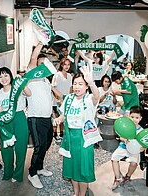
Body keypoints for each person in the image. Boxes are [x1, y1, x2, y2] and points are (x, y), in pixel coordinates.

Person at [54, 63, 100, 196]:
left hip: (84, 138)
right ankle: (75, 193)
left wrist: (92, 83)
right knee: (73, 167)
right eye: (75, 84)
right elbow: (63, 116)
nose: (77, 87)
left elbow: (97, 95)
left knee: (83, 168)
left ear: (86, 86)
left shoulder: (89, 99)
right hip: (70, 137)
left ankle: (82, 193)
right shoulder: (68, 99)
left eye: (81, 84)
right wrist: (58, 120)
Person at [0, 67, 31, 182]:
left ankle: (18, 174)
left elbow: (29, 94)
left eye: (6, 75)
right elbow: (0, 110)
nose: (3, 79)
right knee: (6, 149)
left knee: (21, 148)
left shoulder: (17, 89)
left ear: (10, 76)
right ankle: (8, 172)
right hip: (6, 120)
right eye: (0, 76)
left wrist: (22, 83)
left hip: (19, 118)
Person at [27, 43, 54, 189]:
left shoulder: (46, 81)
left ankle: (39, 167)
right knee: (39, 146)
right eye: (41, 64)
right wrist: (41, 42)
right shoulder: (32, 76)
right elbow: (33, 57)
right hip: (36, 118)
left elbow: (49, 99)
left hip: (47, 118)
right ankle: (32, 173)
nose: (44, 67)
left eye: (46, 64)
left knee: (46, 144)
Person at [111, 106, 144, 190]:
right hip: (123, 147)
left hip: (134, 150)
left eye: (137, 117)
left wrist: (144, 148)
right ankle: (118, 178)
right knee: (114, 157)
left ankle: (128, 176)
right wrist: (125, 140)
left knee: (134, 163)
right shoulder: (126, 126)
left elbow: (144, 142)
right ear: (129, 116)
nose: (134, 119)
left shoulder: (142, 130)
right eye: (132, 117)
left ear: (140, 118)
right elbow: (121, 137)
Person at [51, 58, 73, 142]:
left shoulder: (70, 76)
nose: (67, 66)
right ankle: (55, 134)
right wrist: (57, 99)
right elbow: (53, 88)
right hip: (57, 100)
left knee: (64, 117)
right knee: (56, 118)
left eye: (68, 64)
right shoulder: (57, 75)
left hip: (66, 100)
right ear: (61, 65)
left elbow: (71, 88)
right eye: (65, 64)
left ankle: (62, 134)